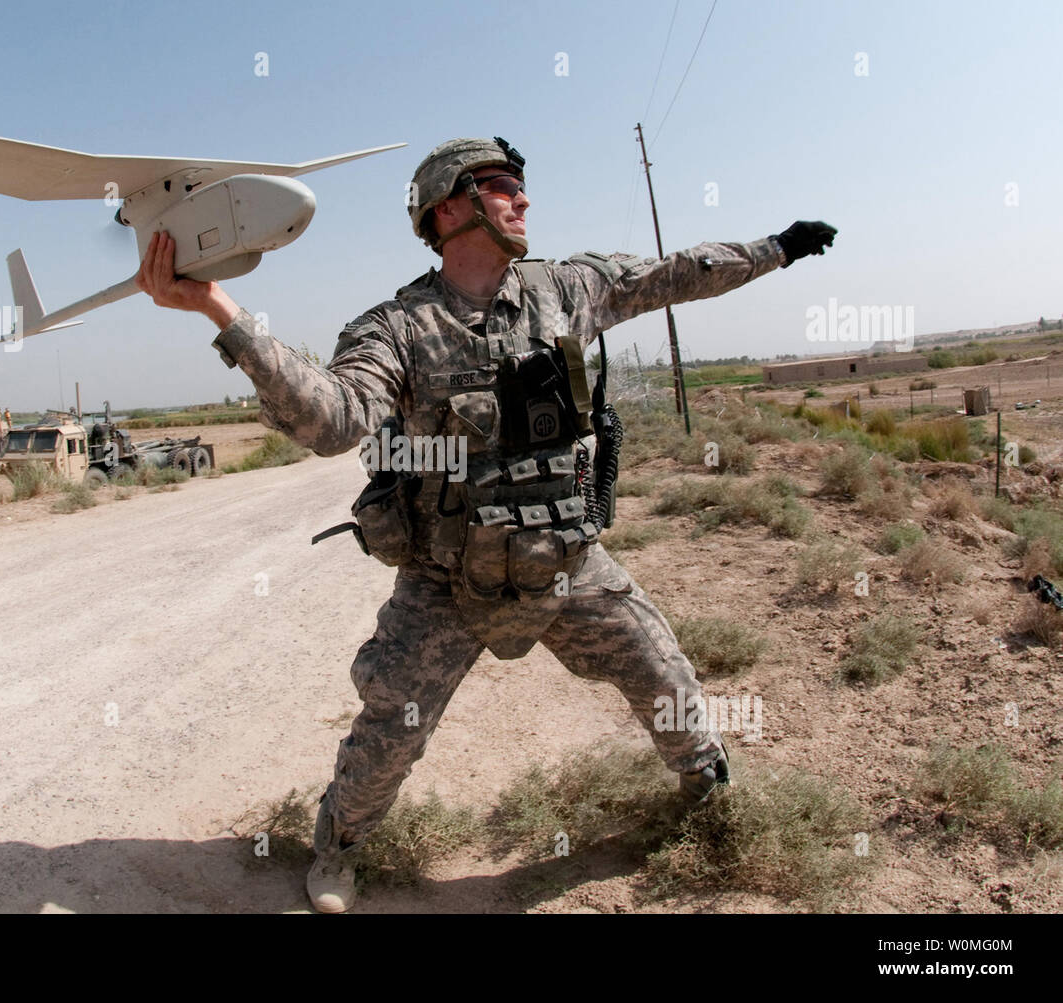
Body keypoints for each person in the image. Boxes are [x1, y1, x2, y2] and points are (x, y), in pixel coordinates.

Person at [135, 136, 836, 913]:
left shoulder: (568, 289)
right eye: (502, 186)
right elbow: (332, 420)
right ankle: (337, 848)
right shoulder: (397, 328)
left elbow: (674, 275)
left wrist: (775, 248)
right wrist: (218, 309)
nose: (523, 199)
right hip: (446, 579)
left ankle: (710, 796)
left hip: (568, 560)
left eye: (520, 186)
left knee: (665, 676)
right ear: (449, 207)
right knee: (389, 728)